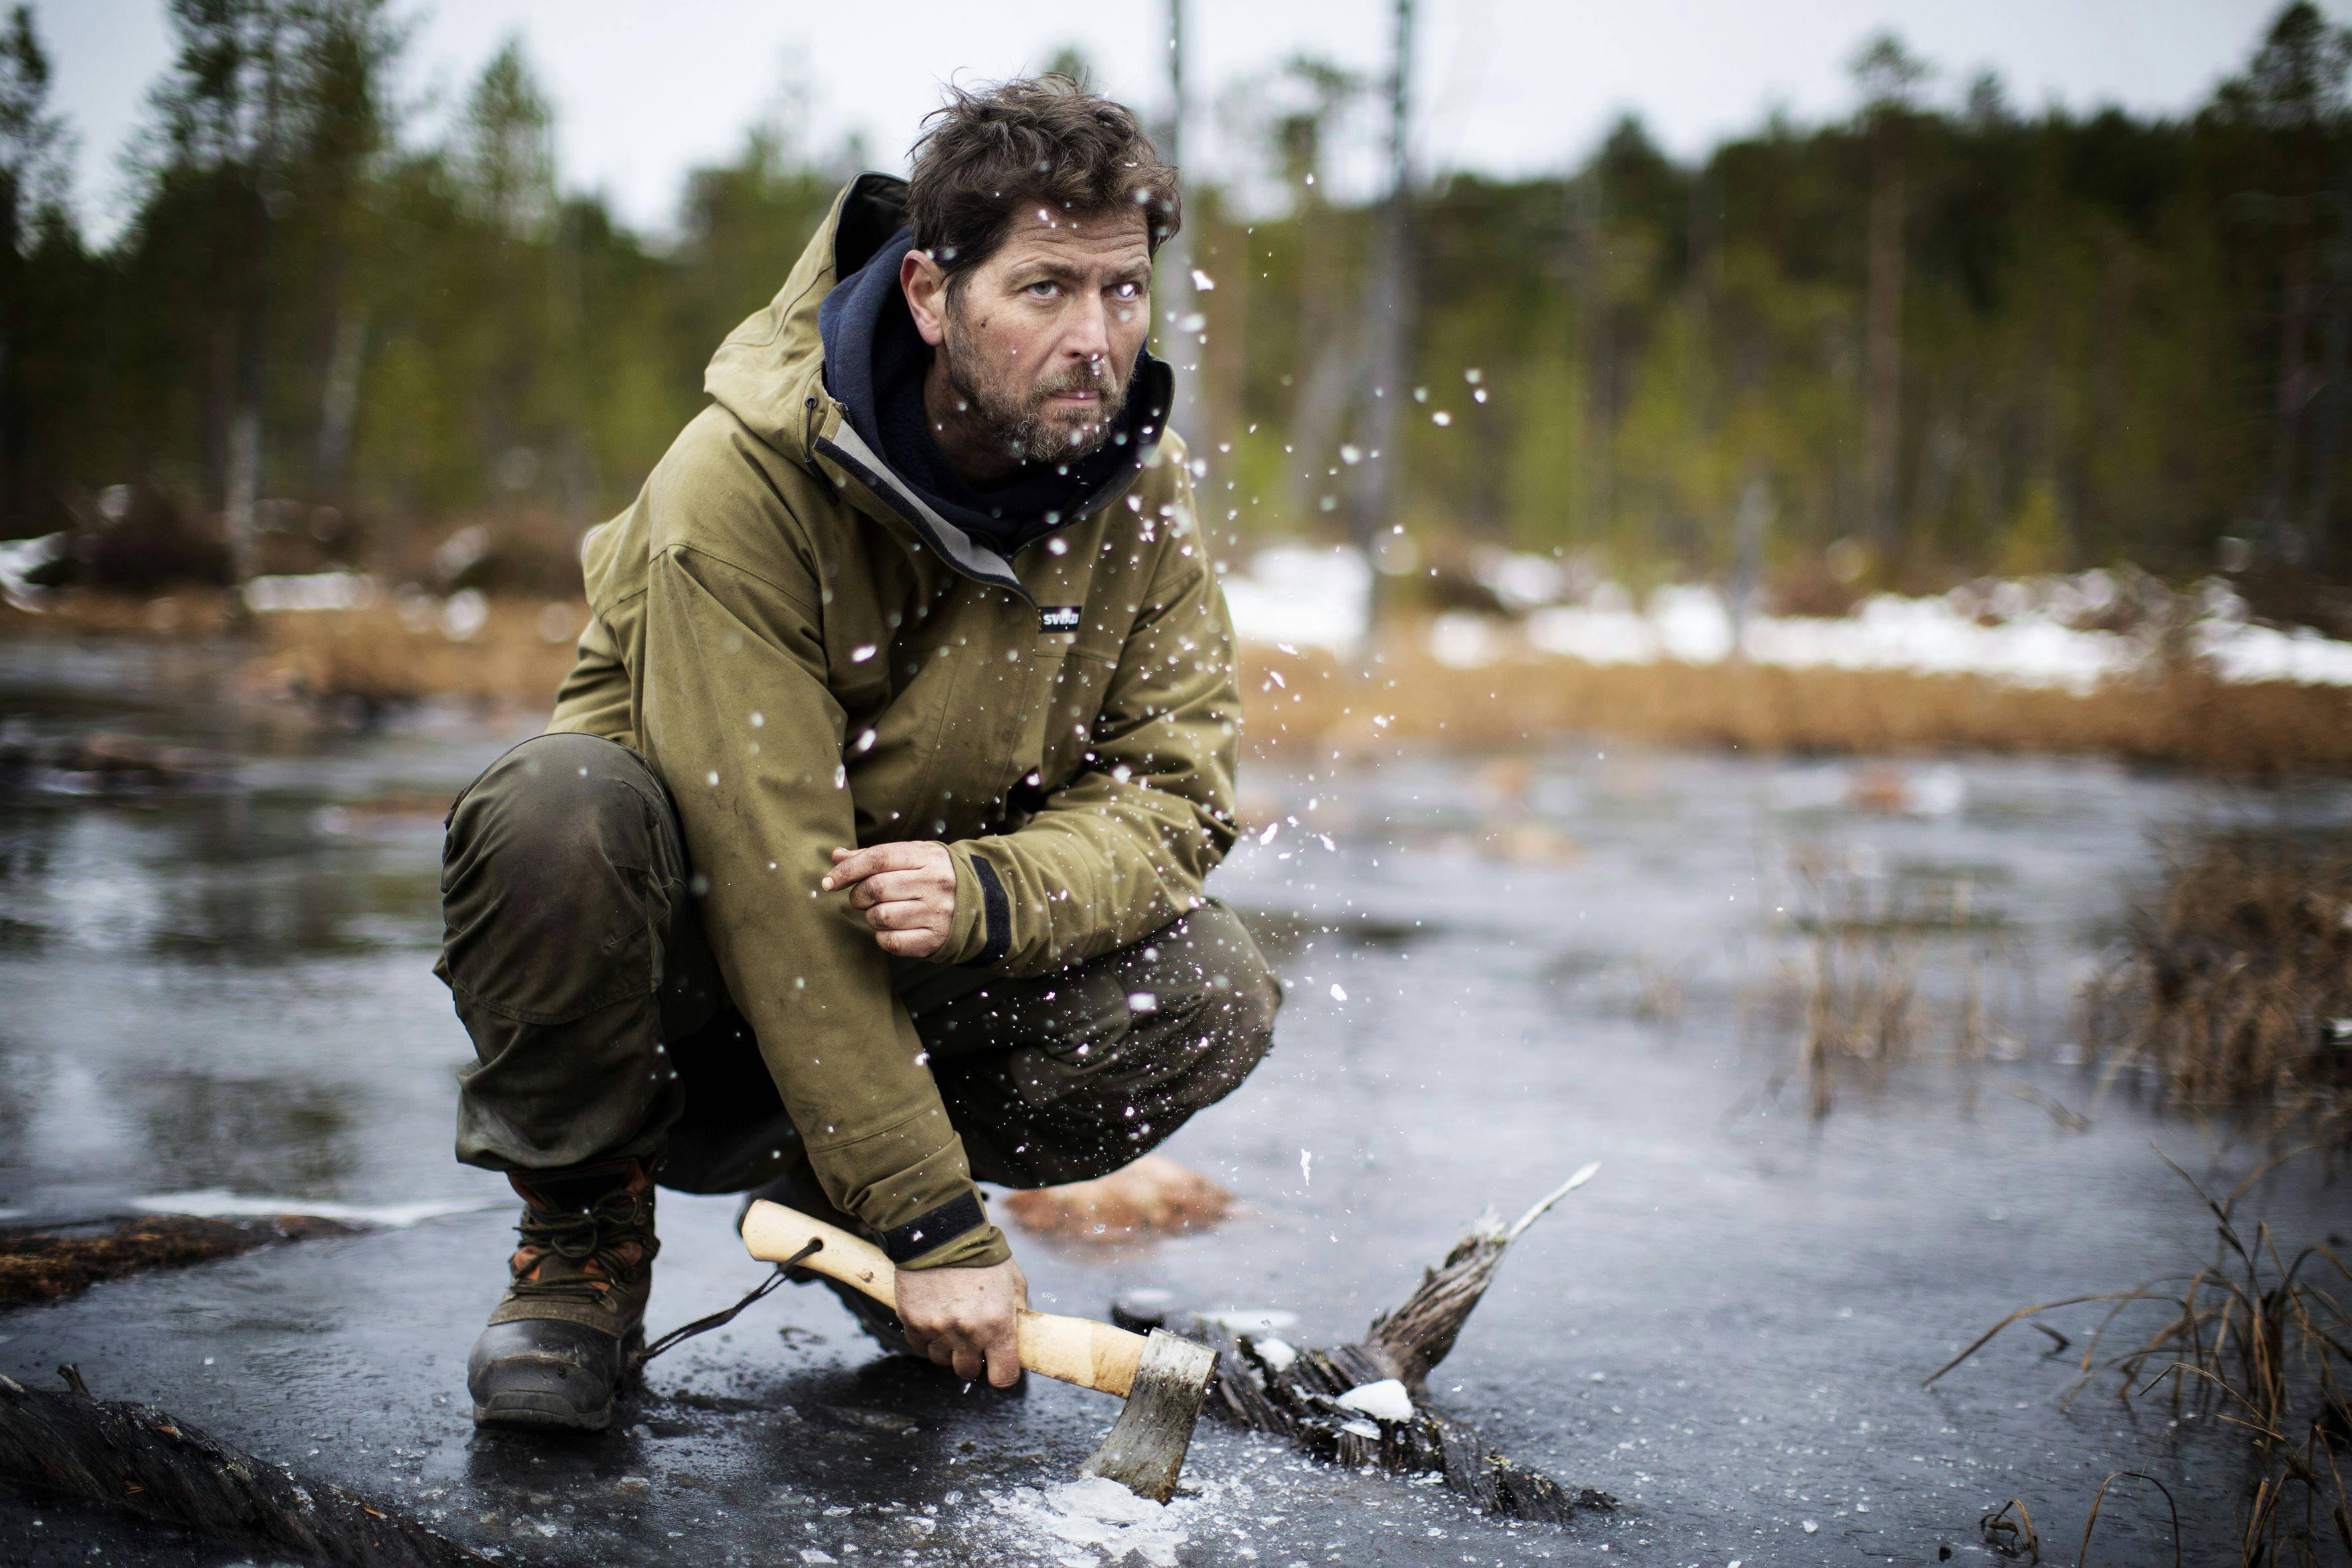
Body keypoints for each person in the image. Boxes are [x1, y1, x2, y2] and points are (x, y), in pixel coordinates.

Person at [435, 74, 1281, 1432]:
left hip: (902, 975)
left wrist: (992, 891)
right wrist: (944, 1224)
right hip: (683, 983)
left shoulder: (1140, 491)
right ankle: (583, 1237)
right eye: (1045, 288)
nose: (1095, 337)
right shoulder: (737, 482)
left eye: (1122, 291)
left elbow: (1169, 799)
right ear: (932, 297)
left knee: (1205, 984)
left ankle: (839, 1218)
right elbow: (771, 870)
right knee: (553, 807)